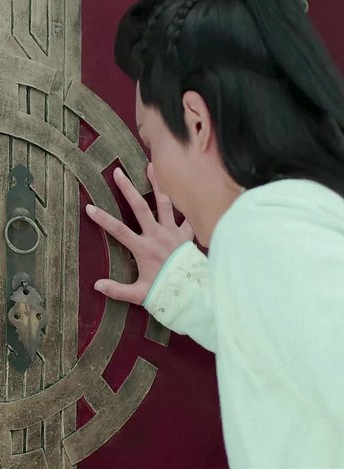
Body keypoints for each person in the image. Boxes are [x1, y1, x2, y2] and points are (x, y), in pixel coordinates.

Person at [87, 0, 344, 467]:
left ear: (197, 121)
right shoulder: (296, 219)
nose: (155, 175)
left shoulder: (262, 226)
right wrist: (182, 283)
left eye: (151, 141)